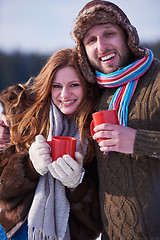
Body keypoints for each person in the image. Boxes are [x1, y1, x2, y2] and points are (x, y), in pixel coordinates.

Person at [70, 0, 160, 239]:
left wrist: (138, 141)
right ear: (84, 51)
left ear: (127, 36)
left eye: (109, 33)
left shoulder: (158, 79)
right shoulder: (93, 95)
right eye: (91, 40)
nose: (102, 46)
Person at [0, 48, 102, 240]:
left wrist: (76, 185)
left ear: (86, 87)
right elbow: (2, 190)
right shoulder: (27, 116)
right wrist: (29, 166)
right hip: (12, 230)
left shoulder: (95, 131)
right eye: (57, 86)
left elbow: (95, 221)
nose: (64, 94)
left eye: (73, 85)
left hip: (65, 234)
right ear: (48, 86)